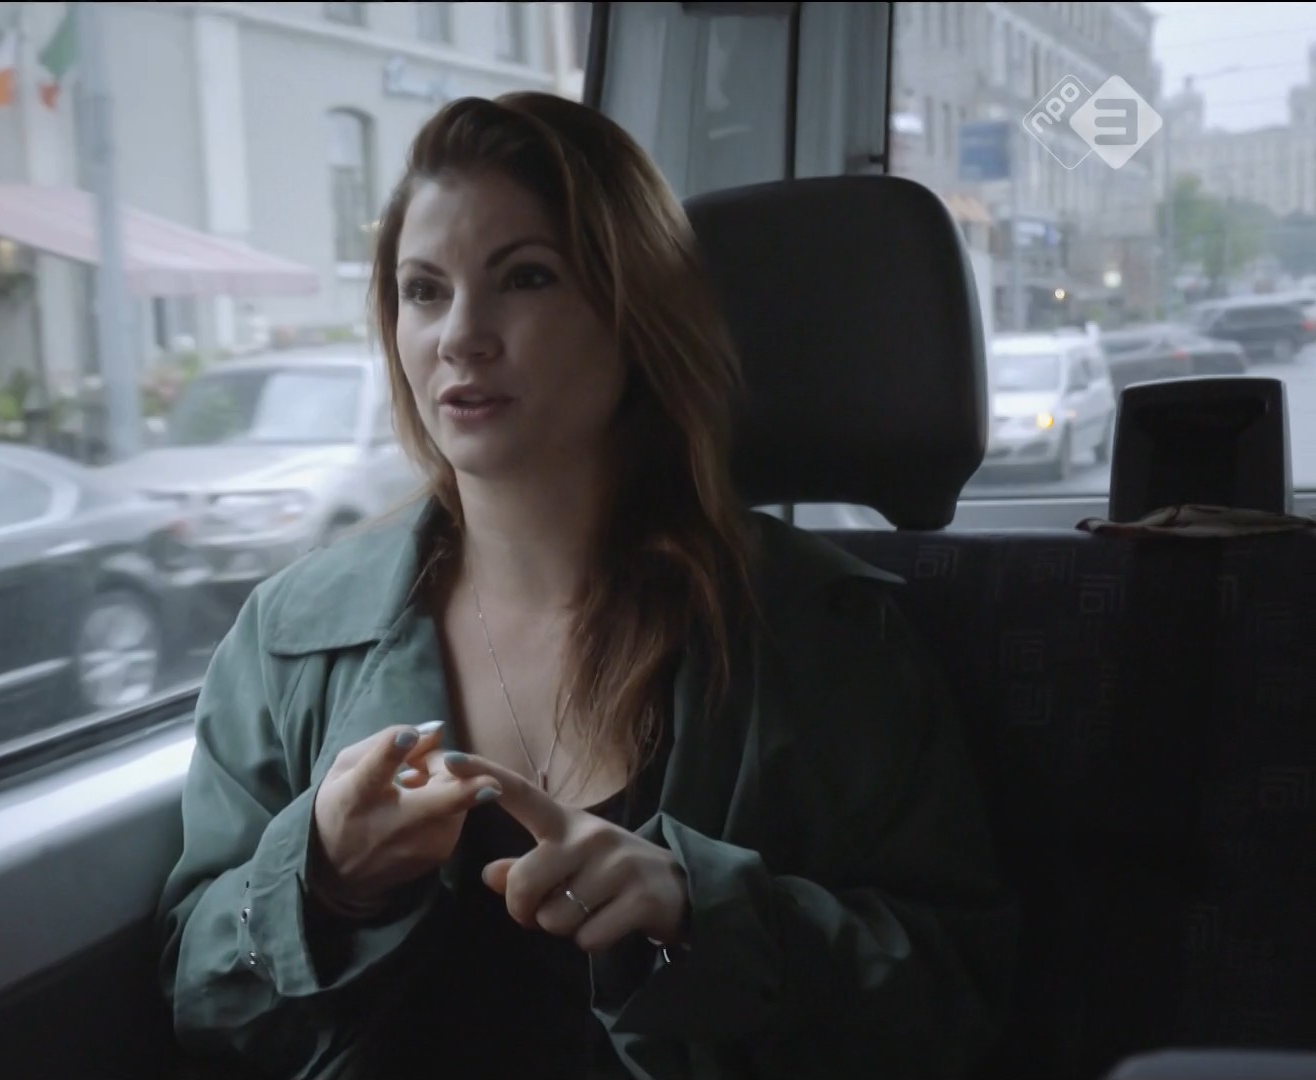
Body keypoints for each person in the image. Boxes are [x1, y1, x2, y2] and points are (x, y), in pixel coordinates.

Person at [155, 91, 1017, 1080]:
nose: (460, 336)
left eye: (525, 278)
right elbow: (199, 999)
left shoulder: (821, 636)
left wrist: (703, 916)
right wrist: (324, 884)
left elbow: (952, 1001)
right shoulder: (291, 635)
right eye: (424, 291)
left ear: (634, 315)